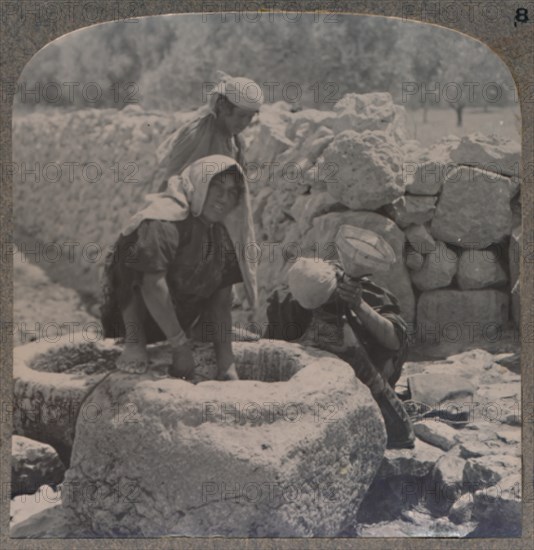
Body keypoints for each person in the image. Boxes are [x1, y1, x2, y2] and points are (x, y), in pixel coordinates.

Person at [100, 155, 257, 381]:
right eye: (218, 188)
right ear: (199, 185)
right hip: (137, 316)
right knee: (136, 258)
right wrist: (179, 347)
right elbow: (152, 285)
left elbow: (221, 304)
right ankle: (135, 341)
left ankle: (200, 333)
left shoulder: (219, 235)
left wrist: (227, 364)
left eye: (232, 193)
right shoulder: (162, 222)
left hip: (182, 317)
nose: (224, 199)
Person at [265, 257, 415, 449]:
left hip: (374, 372)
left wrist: (359, 305)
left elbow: (395, 341)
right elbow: (275, 354)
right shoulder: (287, 304)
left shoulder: (360, 293)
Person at [153, 71, 264, 193]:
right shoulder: (195, 136)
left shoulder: (237, 142)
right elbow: (169, 185)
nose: (245, 123)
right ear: (223, 106)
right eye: (241, 116)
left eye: (250, 117)